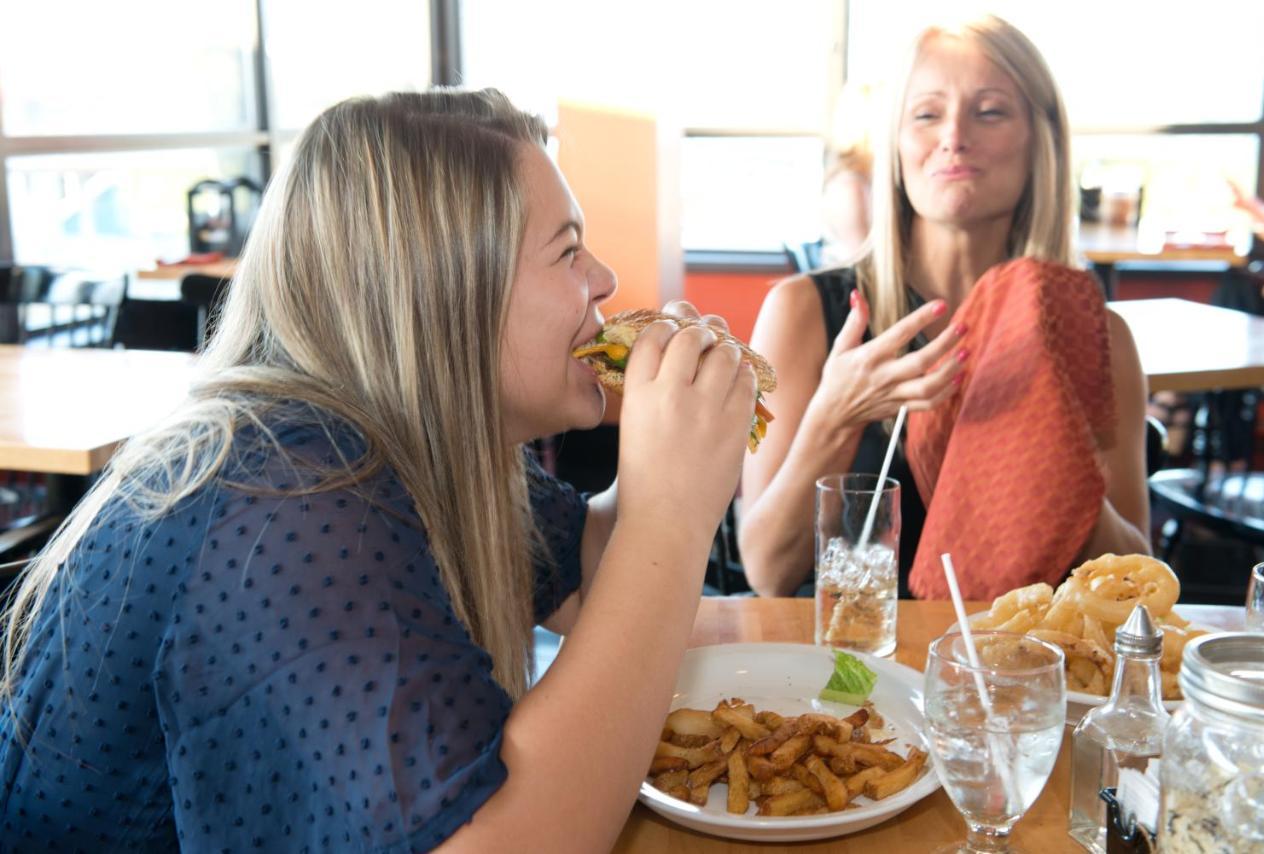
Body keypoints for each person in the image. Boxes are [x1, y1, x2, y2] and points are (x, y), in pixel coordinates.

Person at [0, 89, 757, 851]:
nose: (605, 278)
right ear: (444, 289)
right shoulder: (287, 502)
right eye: (567, 250)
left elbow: (586, 581)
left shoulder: (409, 438)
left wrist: (673, 462)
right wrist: (670, 514)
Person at [739, 15, 1150, 599]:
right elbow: (765, 571)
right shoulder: (803, 311)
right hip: (851, 673)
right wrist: (834, 416)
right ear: (897, 146)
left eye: (990, 112)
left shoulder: (1099, 335)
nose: (953, 136)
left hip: (1016, 675)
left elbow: (1135, 587)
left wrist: (1055, 453)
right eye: (926, 114)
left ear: (1041, 142)